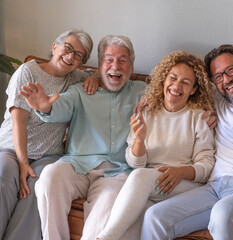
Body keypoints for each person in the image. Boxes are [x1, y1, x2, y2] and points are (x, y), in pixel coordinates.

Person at [141, 44, 233, 240]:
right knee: (155, 217)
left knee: (223, 214)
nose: (227, 79)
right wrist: (148, 99)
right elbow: (176, 91)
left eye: (231, 69)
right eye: (219, 76)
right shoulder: (216, 103)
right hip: (217, 187)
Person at [19, 35, 147, 240]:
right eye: (109, 60)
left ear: (131, 66)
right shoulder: (80, 90)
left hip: (117, 172)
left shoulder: (142, 92)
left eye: (123, 60)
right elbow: (62, 106)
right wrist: (46, 106)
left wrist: (206, 113)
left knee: (107, 205)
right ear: (100, 65)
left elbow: (171, 99)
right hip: (77, 165)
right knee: (48, 178)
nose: (116, 66)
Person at [0, 28, 96, 240]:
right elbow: (19, 121)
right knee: (1, 177)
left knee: (39, 185)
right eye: (68, 48)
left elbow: (97, 73)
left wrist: (96, 77)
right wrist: (22, 162)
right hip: (8, 148)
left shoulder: (76, 78)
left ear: (81, 62)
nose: (70, 56)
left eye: (78, 55)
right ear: (55, 47)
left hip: (48, 154)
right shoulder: (28, 71)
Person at [97, 51, 216, 240]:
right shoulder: (147, 112)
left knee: (140, 177)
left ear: (193, 89)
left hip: (185, 184)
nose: (176, 86)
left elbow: (207, 166)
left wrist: (180, 172)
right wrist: (140, 139)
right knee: (138, 214)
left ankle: (105, 237)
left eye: (185, 82)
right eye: (173, 78)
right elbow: (135, 163)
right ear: (163, 80)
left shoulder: (199, 118)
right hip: (150, 184)